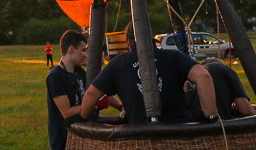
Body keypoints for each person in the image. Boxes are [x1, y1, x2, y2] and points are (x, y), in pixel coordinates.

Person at [81, 23, 217, 124]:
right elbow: (203, 76)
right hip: (180, 134)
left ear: (129, 42)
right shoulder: (173, 57)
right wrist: (209, 118)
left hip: (140, 137)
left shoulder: (118, 64)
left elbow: (91, 94)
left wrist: (84, 118)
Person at [46, 29, 109, 150]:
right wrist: (94, 105)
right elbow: (67, 112)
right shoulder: (55, 76)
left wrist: (120, 106)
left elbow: (96, 89)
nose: (85, 55)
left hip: (80, 138)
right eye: (83, 50)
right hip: (63, 142)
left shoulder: (79, 71)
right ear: (71, 49)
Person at [186, 57, 255, 121]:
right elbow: (247, 111)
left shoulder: (190, 78)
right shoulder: (223, 69)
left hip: (189, 127)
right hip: (218, 127)